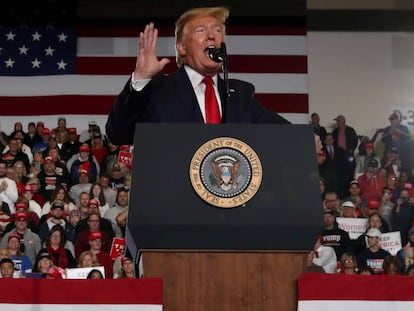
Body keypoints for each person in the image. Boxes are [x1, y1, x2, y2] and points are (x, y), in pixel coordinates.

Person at [105, 6, 290, 145]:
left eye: (218, 31)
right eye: (201, 30)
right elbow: (118, 133)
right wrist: (141, 78)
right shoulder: (158, 90)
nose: (212, 36)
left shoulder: (240, 94)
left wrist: (308, 137)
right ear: (181, 47)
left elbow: (280, 131)